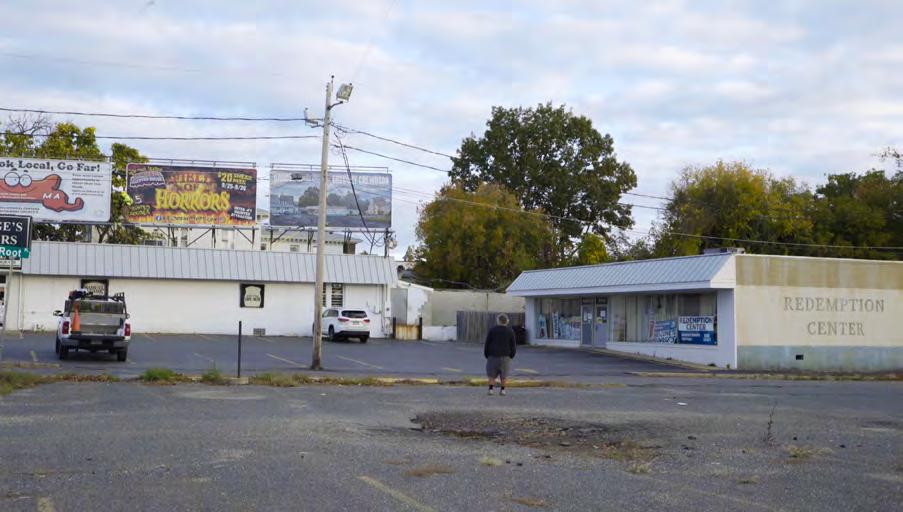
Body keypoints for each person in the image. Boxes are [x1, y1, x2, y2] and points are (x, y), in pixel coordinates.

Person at [484, 313, 517, 396]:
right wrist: (512, 355)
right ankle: (503, 390)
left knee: (491, 374)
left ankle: (491, 389)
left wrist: (486, 354)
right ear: (507, 321)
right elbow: (513, 345)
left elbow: (487, 343)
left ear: (498, 321)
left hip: (493, 355)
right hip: (505, 356)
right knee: (504, 375)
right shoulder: (510, 331)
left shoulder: (492, 330)